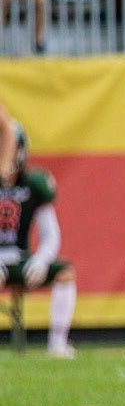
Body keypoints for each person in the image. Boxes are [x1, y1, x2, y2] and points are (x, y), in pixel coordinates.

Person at [0, 128, 76, 357]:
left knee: (65, 273)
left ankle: (57, 343)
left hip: (19, 259)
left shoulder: (34, 184)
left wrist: (41, 260)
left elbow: (50, 234)